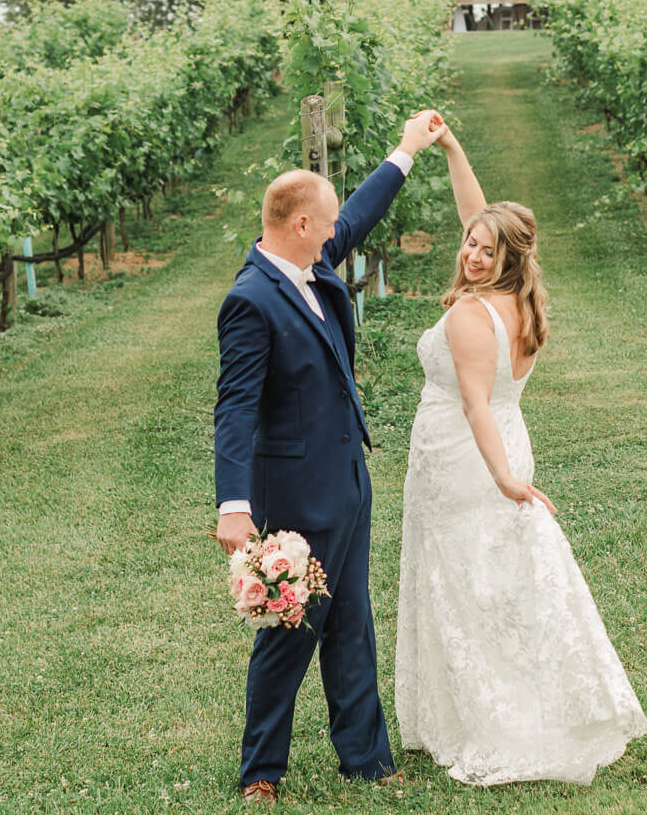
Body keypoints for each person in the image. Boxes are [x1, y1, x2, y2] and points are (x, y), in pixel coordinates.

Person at [395, 123, 647, 786]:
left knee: (465, 585)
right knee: (497, 579)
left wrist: (504, 478)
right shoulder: (521, 298)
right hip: (503, 440)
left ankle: (486, 717)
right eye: (469, 244)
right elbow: (476, 214)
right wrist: (452, 148)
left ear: (504, 258)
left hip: (467, 456)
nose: (471, 254)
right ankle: (523, 698)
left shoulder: (469, 316)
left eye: (484, 249)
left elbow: (476, 403)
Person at [212, 109, 447, 804]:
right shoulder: (250, 299)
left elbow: (357, 222)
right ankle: (262, 769)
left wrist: (406, 150)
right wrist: (234, 502)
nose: (337, 229)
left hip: (348, 478)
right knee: (293, 626)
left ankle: (366, 758)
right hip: (295, 490)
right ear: (299, 225)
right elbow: (236, 406)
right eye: (328, 219)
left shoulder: (309, 260)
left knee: (351, 621)